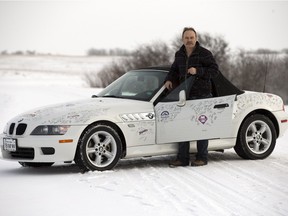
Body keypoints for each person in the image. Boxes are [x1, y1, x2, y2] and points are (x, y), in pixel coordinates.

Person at [165, 27, 219, 167]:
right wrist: (169, 79)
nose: (189, 40)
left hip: (202, 96)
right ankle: (182, 158)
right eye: (186, 38)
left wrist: (198, 71)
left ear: (196, 38)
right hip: (185, 96)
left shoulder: (205, 53)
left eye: (191, 37)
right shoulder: (179, 54)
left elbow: (214, 71)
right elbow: (174, 69)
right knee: (183, 127)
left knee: (201, 126)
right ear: (182, 39)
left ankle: (202, 157)